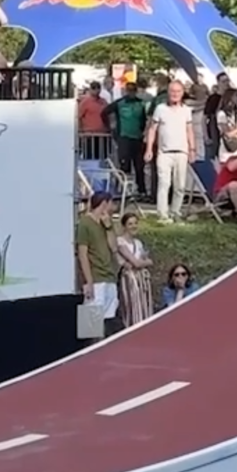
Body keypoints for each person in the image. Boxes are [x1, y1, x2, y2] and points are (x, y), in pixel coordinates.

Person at [146, 79, 194, 220]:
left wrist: (192, 149)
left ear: (182, 93)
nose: (175, 94)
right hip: (164, 153)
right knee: (164, 184)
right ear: (168, 93)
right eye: (172, 91)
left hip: (182, 152)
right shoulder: (160, 108)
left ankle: (175, 211)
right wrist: (149, 149)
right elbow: (152, 129)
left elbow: (189, 130)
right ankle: (162, 214)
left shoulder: (186, 110)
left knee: (180, 186)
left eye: (178, 91)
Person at [75, 192, 120, 332]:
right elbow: (83, 254)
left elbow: (113, 247)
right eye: (111, 203)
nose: (113, 207)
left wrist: (108, 227)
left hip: (109, 277)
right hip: (95, 278)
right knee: (90, 327)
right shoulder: (85, 223)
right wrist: (88, 281)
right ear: (104, 204)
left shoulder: (108, 222)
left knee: (108, 322)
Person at [106, 80, 151, 197]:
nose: (130, 93)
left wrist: (144, 131)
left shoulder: (141, 103)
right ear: (125, 91)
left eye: (132, 91)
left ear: (136, 92)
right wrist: (111, 129)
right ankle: (121, 190)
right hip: (124, 138)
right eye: (129, 91)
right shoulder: (119, 103)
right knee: (124, 166)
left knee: (139, 166)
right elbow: (104, 113)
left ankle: (141, 190)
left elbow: (147, 118)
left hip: (137, 138)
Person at [114, 211, 155, 327]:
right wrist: (144, 263)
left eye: (135, 223)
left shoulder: (138, 243)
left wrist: (143, 262)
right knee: (132, 307)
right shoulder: (120, 242)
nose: (133, 226)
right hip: (129, 279)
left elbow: (146, 261)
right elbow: (136, 262)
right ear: (124, 226)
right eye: (130, 224)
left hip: (141, 280)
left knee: (144, 306)